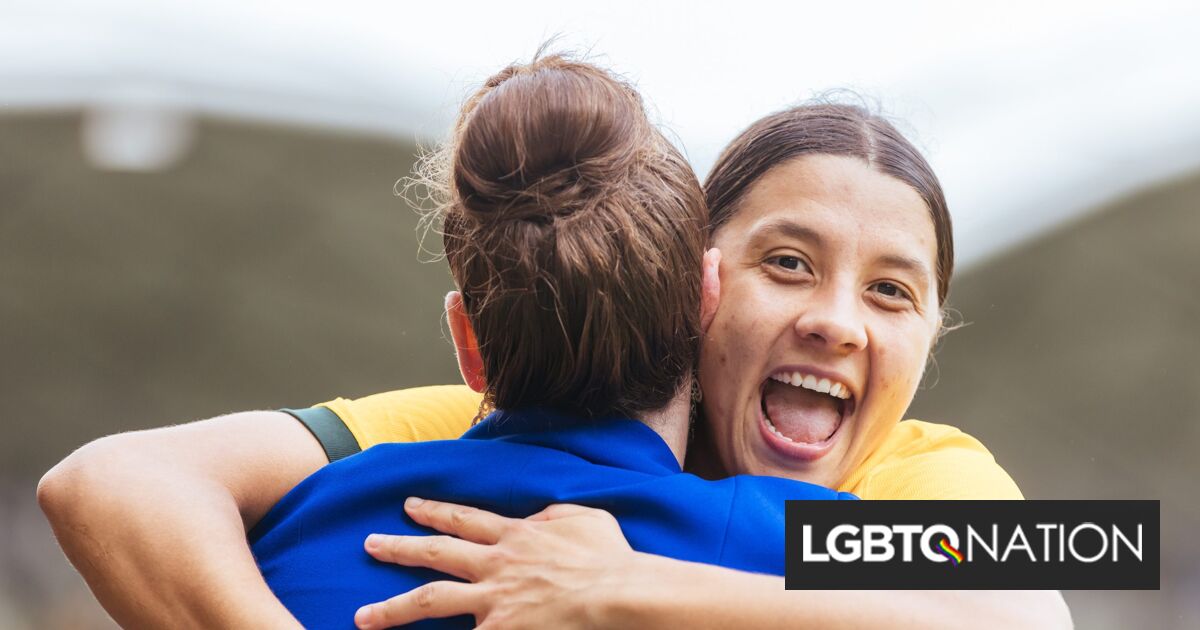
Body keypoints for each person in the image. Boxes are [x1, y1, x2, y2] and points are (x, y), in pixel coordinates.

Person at [37, 55, 1070, 628]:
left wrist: (618, 583)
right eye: (789, 263)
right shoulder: (457, 436)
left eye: (893, 291)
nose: (838, 320)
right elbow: (111, 483)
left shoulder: (911, 482)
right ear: (696, 283)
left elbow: (1033, 617)